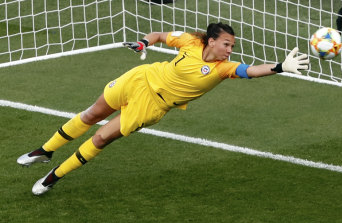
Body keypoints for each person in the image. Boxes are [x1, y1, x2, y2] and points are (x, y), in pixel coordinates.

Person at [17, 22, 309, 195]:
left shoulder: (222, 69)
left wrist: (281, 67)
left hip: (152, 107)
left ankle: (54, 176)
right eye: (227, 44)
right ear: (211, 41)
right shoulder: (190, 42)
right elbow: (158, 35)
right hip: (140, 78)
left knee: (100, 138)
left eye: (232, 46)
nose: (230, 50)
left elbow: (253, 71)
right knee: (92, 114)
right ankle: (44, 151)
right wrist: (143, 42)